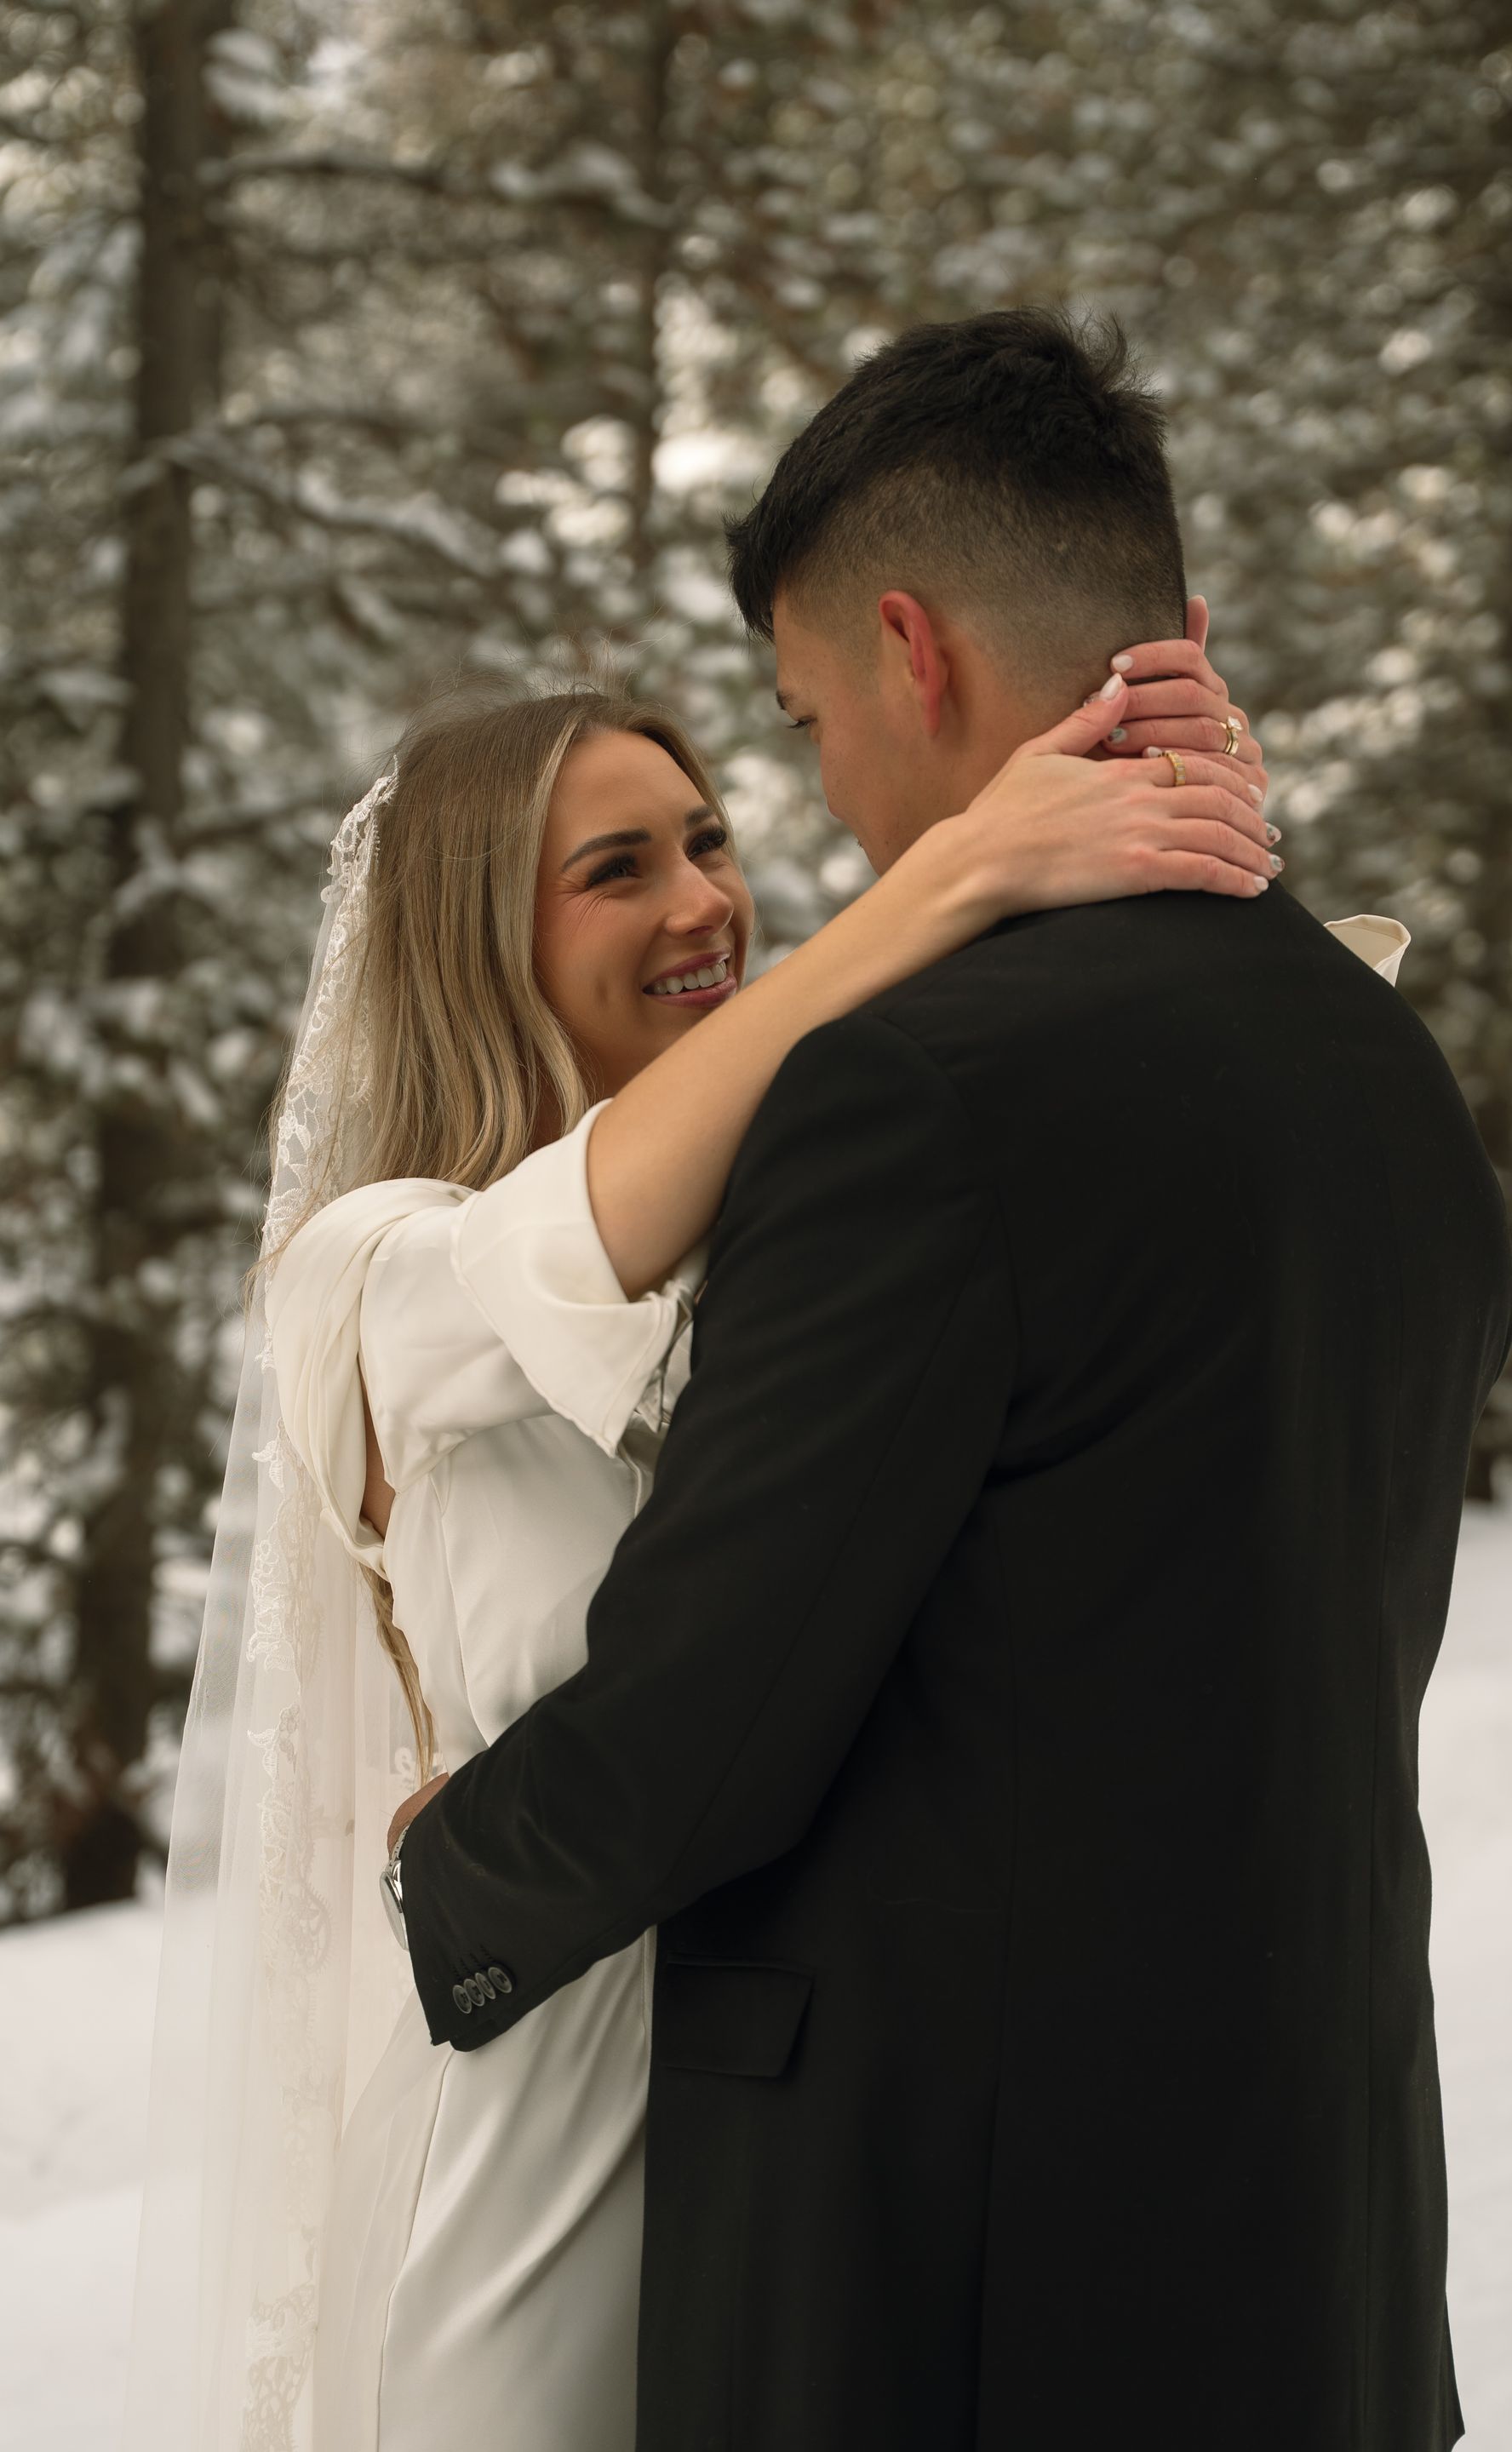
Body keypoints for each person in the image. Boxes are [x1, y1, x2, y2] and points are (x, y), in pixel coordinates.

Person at [389, 311, 1512, 2452]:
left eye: (803, 722)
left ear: (912, 653)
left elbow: (722, 1702)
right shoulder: (1384, 1068)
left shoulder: (908, 1096)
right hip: (1315, 2256)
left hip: (964, 2284)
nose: (813, 799)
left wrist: (454, 1873)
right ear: (1165, 630)